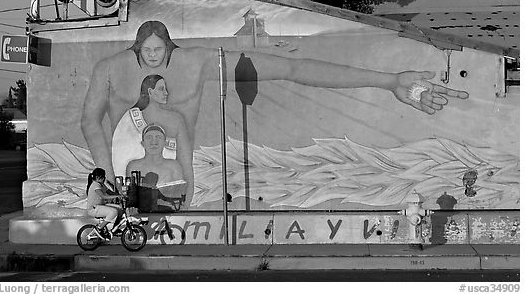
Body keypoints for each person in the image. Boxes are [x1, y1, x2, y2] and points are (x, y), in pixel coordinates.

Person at [82, 20, 469, 207]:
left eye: (159, 50)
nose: (153, 57)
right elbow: (89, 119)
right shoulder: (109, 68)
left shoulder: (199, 61)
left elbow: (291, 68)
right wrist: (106, 173)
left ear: (170, 46)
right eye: (145, 51)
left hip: (177, 183)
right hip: (125, 176)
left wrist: (388, 80)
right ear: (135, 50)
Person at [111, 74, 191, 205]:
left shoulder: (173, 166)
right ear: (150, 91)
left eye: (158, 138)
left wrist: (185, 209)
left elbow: (182, 181)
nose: (166, 93)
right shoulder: (134, 166)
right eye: (161, 89)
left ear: (164, 142)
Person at [86, 168, 123, 240]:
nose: (104, 178)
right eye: (103, 177)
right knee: (113, 211)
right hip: (93, 209)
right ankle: (99, 228)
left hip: (100, 206)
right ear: (97, 177)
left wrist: (120, 195)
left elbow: (109, 192)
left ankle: (115, 228)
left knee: (119, 209)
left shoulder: (101, 184)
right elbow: (104, 196)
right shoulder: (95, 185)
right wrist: (117, 196)